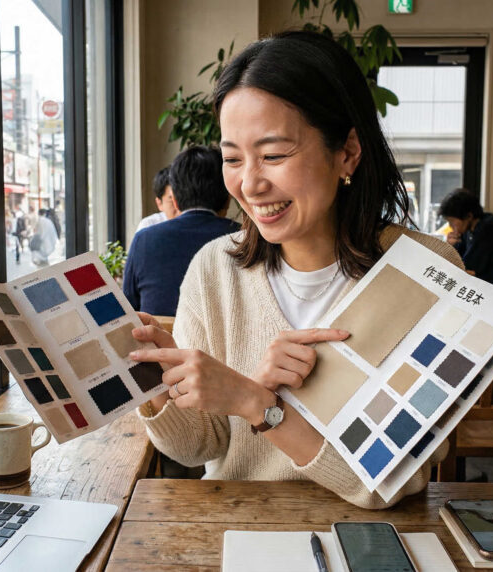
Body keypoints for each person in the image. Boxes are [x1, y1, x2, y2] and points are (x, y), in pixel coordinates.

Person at [128, 31, 464, 509]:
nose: (250, 184)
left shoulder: (429, 272)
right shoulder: (215, 269)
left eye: (273, 155)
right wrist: (157, 384)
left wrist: (257, 404)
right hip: (240, 527)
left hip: (374, 537)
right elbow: (197, 447)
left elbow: (393, 480)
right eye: (232, 158)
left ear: (346, 151)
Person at [123, 145, 239, 316]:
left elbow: (128, 309)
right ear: (228, 199)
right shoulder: (244, 239)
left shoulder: (144, 239)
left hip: (160, 335)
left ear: (175, 201)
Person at [438, 189, 493, 299]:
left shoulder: (487, 229)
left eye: (452, 221)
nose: (450, 226)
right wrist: (451, 245)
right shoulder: (469, 230)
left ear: (468, 216)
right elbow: (459, 259)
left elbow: (465, 266)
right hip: (492, 290)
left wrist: (449, 251)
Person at [135, 166, 180, 233]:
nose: (179, 207)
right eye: (172, 201)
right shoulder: (148, 227)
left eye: (183, 199)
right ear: (159, 204)